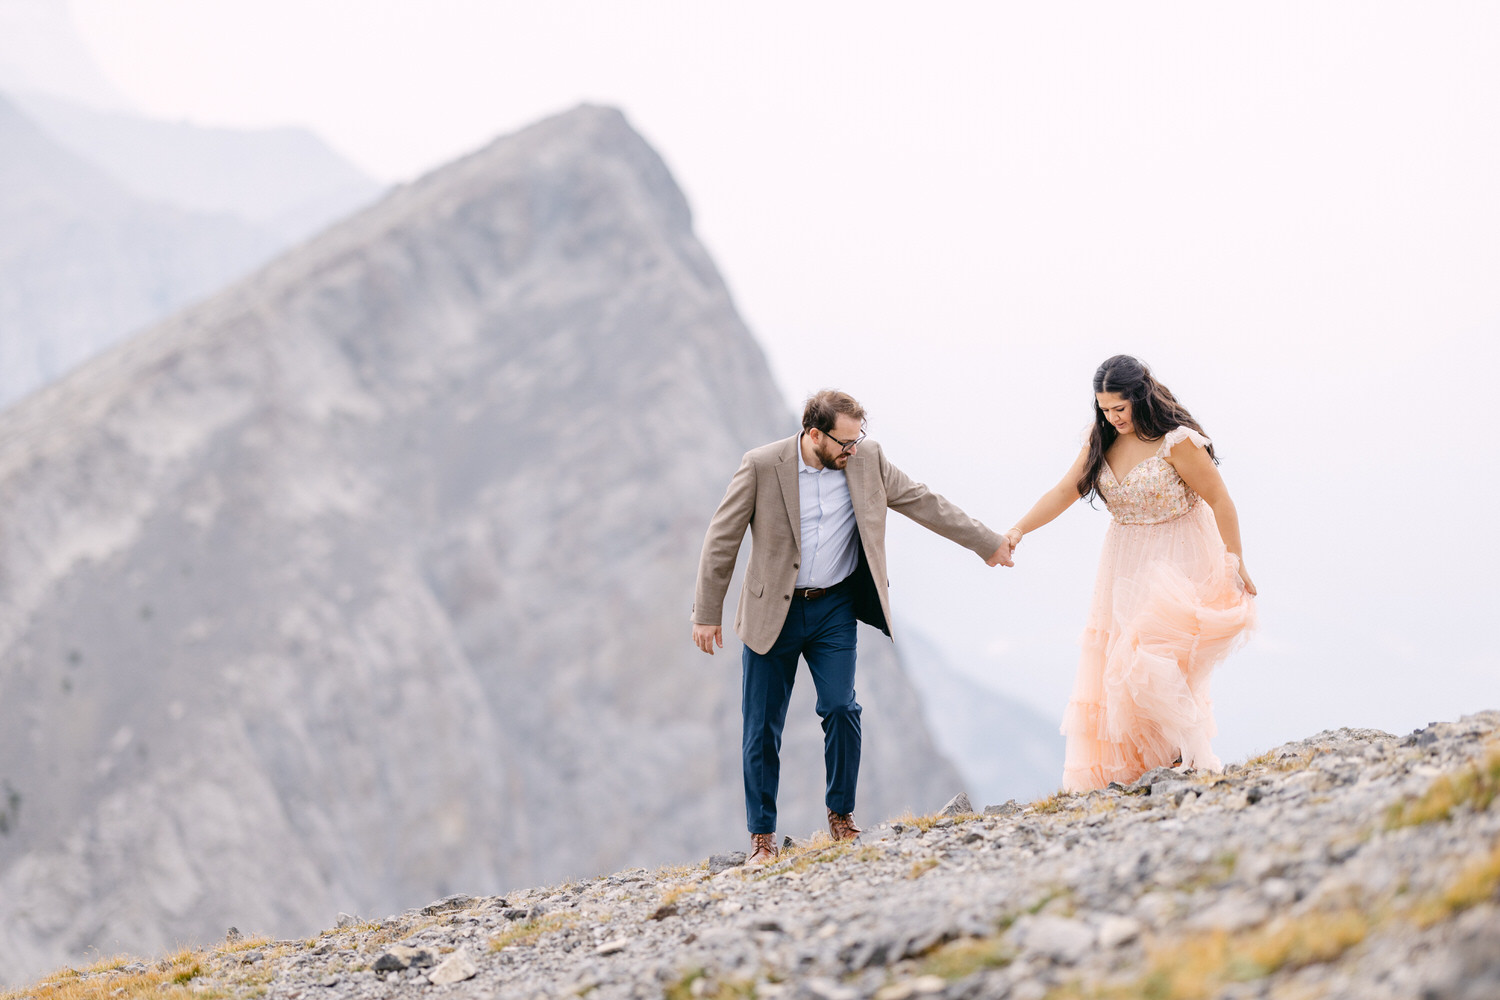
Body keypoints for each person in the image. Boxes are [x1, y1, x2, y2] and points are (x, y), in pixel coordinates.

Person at [693, 389, 1013, 865]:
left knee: (842, 708)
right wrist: (707, 612)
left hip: (834, 610)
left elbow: (924, 502)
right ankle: (762, 838)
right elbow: (723, 536)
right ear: (814, 434)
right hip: (771, 615)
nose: (853, 449)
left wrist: (986, 543)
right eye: (845, 442)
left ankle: (841, 815)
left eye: (859, 438)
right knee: (762, 729)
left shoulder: (868, 460)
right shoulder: (762, 465)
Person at [1005, 356, 1257, 791]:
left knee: (1148, 658)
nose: (1112, 417)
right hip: (1123, 563)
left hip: (1178, 558)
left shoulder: (1177, 443)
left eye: (1119, 408)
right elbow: (1066, 490)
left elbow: (1221, 500)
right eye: (1104, 409)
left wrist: (1234, 560)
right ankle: (1158, 763)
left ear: (1140, 397)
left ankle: (1191, 757)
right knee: (1118, 667)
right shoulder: (1100, 439)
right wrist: (1018, 530)